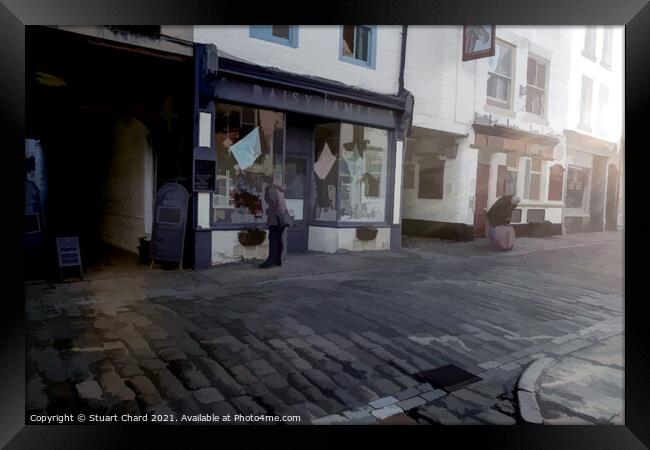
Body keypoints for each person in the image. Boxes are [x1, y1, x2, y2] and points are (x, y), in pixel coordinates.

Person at [259, 175, 290, 268]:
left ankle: (270, 261)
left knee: (272, 238)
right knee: (278, 238)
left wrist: (269, 211)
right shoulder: (278, 189)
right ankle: (277, 260)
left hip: (276, 217)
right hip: (282, 216)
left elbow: (275, 203)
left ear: (265, 181)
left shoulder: (270, 188)